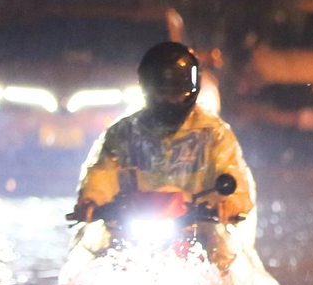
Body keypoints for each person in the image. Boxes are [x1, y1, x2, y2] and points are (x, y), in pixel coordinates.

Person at [69, 42, 256, 269]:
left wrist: (229, 204)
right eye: (162, 92)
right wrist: (91, 201)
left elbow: (230, 173)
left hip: (196, 226)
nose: (169, 100)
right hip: (130, 226)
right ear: (147, 87)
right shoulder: (124, 132)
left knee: (224, 253)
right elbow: (103, 171)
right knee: (92, 260)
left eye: (176, 93)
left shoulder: (213, 133)